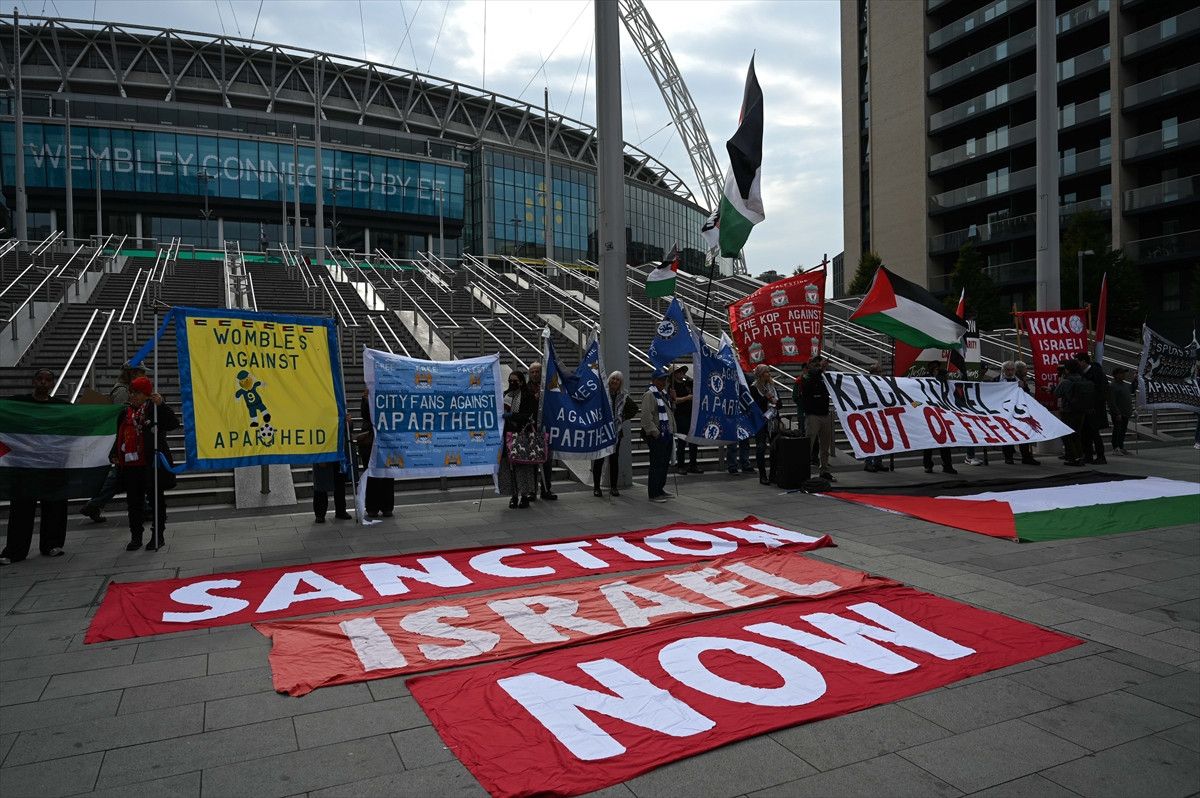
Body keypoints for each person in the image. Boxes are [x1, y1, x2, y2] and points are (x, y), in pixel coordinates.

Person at [1, 369, 71, 565]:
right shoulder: (18, 404)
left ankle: (52, 544)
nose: (43, 383)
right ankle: (15, 550)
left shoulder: (61, 407)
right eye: (39, 379)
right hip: (25, 466)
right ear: (33, 382)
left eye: (47, 380)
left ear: (52, 384)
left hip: (51, 465)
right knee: (21, 509)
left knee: (55, 505)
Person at [113, 376, 179, 551]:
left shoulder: (154, 410)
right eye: (131, 392)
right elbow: (119, 435)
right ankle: (136, 536)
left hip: (151, 464)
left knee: (156, 500)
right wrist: (114, 454)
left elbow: (173, 423)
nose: (133, 396)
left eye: (137, 393)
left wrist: (161, 405)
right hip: (130, 465)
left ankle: (158, 535)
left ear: (146, 394)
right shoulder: (124, 413)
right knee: (133, 502)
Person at [80, 362, 146, 523]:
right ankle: (144, 508)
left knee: (124, 477)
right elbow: (122, 418)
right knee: (125, 475)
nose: (143, 376)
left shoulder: (126, 389)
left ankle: (95, 504)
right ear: (132, 373)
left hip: (126, 442)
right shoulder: (123, 392)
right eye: (140, 372)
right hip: (124, 442)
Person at [592, 371, 638, 497]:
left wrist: (621, 418)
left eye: (617, 380)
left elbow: (634, 409)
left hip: (615, 432)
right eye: (613, 379)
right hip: (601, 431)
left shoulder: (623, 396)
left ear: (620, 383)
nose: (614, 381)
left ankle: (613, 487)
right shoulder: (602, 394)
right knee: (599, 460)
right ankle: (596, 487)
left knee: (613, 460)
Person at [499, 370, 538, 509]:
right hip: (507, 435)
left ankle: (524, 496)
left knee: (523, 467)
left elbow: (528, 415)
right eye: (510, 380)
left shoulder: (528, 396)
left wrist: (512, 416)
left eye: (515, 380)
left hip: (522, 435)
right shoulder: (505, 395)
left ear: (521, 381)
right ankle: (513, 496)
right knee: (509, 468)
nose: (512, 383)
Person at [640, 367, 676, 503]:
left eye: (665, 380)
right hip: (658, 436)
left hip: (667, 434)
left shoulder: (664, 394)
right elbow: (646, 417)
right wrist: (655, 433)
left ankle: (660, 489)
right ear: (653, 380)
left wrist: (673, 399)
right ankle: (654, 493)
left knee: (664, 464)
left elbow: (671, 413)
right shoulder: (650, 395)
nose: (663, 382)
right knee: (656, 464)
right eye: (660, 380)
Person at [358, 389, 395, 517]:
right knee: (372, 473)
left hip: (386, 439)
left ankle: (386, 506)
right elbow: (365, 415)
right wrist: (366, 400)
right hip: (370, 440)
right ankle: (372, 507)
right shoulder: (367, 395)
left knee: (387, 473)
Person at [996, 360, 1040, 465]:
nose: (1010, 372)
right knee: (1007, 434)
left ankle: (1026, 456)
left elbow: (1027, 395)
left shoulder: (1019, 381)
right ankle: (1008, 457)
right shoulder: (997, 381)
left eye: (1012, 370)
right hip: (1005, 413)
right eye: (1007, 370)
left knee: (1023, 433)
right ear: (1003, 370)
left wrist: (1023, 387)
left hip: (1019, 412)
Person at [313, 414, 354, 523]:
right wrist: (318, 456)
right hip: (323, 448)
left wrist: (349, 423)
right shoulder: (317, 408)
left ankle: (341, 510)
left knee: (340, 482)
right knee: (321, 483)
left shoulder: (340, 405)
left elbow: (348, 431)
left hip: (338, 450)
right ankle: (320, 514)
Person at [526, 361, 557, 501]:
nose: (534, 374)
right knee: (532, 462)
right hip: (531, 429)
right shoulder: (525, 389)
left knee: (547, 461)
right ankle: (532, 491)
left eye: (537, 371)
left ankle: (546, 489)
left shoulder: (549, 387)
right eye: (532, 372)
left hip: (547, 428)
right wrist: (534, 399)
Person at [801, 355, 835, 480]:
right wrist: (820, 368)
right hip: (813, 415)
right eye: (816, 365)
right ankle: (803, 471)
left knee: (825, 446)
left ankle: (824, 469)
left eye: (819, 365)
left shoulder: (823, 377)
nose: (819, 368)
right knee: (808, 444)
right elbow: (809, 382)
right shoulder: (807, 377)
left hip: (825, 413)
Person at [1074, 352, 1109, 464]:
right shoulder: (1080, 374)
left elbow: (1103, 391)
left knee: (1094, 433)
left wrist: (1094, 405)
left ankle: (1101, 456)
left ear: (1084, 361)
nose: (1077, 364)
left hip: (1094, 409)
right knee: (1085, 434)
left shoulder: (1096, 373)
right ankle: (1087, 455)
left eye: (1078, 361)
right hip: (1084, 408)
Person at [922, 367, 957, 475]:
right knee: (943, 444)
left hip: (934, 416)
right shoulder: (947, 385)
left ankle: (929, 465)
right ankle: (946, 465)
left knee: (931, 444)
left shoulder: (931, 384)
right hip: (937, 417)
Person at [750, 364, 781, 484]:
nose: (768, 374)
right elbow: (755, 405)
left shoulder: (772, 387)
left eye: (769, 372)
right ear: (760, 374)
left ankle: (773, 474)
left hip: (773, 420)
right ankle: (762, 475)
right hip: (761, 421)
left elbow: (780, 403)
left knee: (774, 448)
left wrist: (775, 402)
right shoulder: (754, 388)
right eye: (766, 372)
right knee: (761, 447)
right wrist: (767, 398)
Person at [1055, 360, 1089, 467]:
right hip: (1081, 411)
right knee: (1077, 435)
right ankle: (1080, 457)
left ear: (1067, 369)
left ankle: (1073, 458)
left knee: (1068, 435)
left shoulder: (1066, 381)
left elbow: (1057, 393)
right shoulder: (1082, 379)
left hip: (1068, 411)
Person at [671, 365, 702, 474]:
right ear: (674, 374)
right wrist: (687, 398)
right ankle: (681, 465)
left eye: (683, 371)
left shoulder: (686, 383)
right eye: (679, 371)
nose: (682, 373)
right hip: (680, 415)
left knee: (693, 441)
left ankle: (693, 464)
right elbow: (674, 400)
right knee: (682, 441)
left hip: (691, 415)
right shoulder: (672, 386)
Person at [861, 363, 886, 473]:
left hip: (880, 413)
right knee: (871, 438)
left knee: (881, 437)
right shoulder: (867, 383)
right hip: (870, 413)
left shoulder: (882, 383)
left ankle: (878, 461)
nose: (881, 374)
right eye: (879, 372)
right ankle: (869, 462)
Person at [1109, 367, 1133, 456]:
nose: (1124, 375)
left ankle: (1121, 446)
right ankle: (1115, 447)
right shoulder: (1113, 386)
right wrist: (1117, 412)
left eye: (1124, 373)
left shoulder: (1124, 385)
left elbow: (1131, 391)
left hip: (1125, 412)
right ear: (1116, 375)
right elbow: (1112, 401)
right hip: (1118, 413)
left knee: (1123, 430)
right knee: (1117, 430)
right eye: (1122, 373)